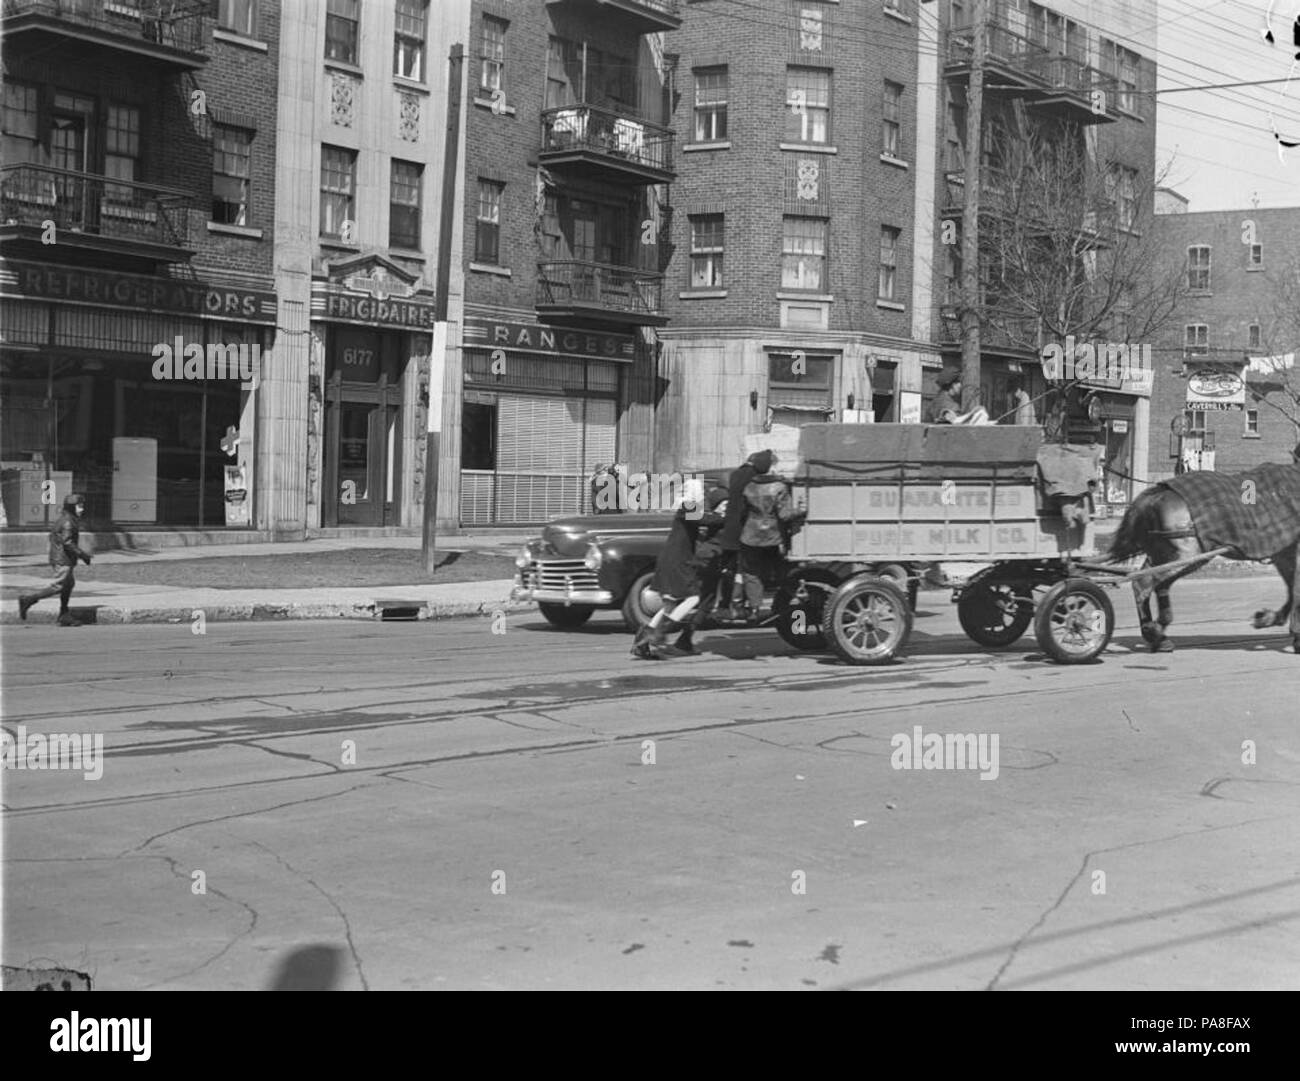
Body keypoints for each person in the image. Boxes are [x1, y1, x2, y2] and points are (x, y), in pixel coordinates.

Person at [632, 487, 728, 660]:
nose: (701, 497)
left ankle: (643, 640)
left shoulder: (688, 509)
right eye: (699, 493)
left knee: (670, 603)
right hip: (679, 561)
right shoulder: (687, 508)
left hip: (671, 559)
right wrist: (726, 517)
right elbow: (708, 520)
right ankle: (659, 632)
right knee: (693, 598)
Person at [738, 461, 805, 614]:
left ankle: (755, 608)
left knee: (751, 572)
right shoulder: (779, 487)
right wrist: (801, 511)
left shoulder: (749, 486)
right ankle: (787, 604)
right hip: (773, 536)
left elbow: (742, 513)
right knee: (783, 571)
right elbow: (785, 515)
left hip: (751, 535)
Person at [714, 449, 773, 619]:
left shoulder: (735, 475)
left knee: (729, 569)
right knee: (746, 570)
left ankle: (725, 605)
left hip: (729, 530)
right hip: (745, 530)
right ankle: (739, 605)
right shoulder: (753, 479)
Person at [18, 492, 92, 626]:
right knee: (59, 585)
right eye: (79, 506)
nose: (82, 509)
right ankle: (28, 600)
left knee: (68, 585)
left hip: (62, 558)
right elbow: (68, 542)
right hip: (63, 559)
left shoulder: (66, 519)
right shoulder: (68, 522)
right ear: (71, 507)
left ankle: (64, 615)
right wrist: (83, 555)